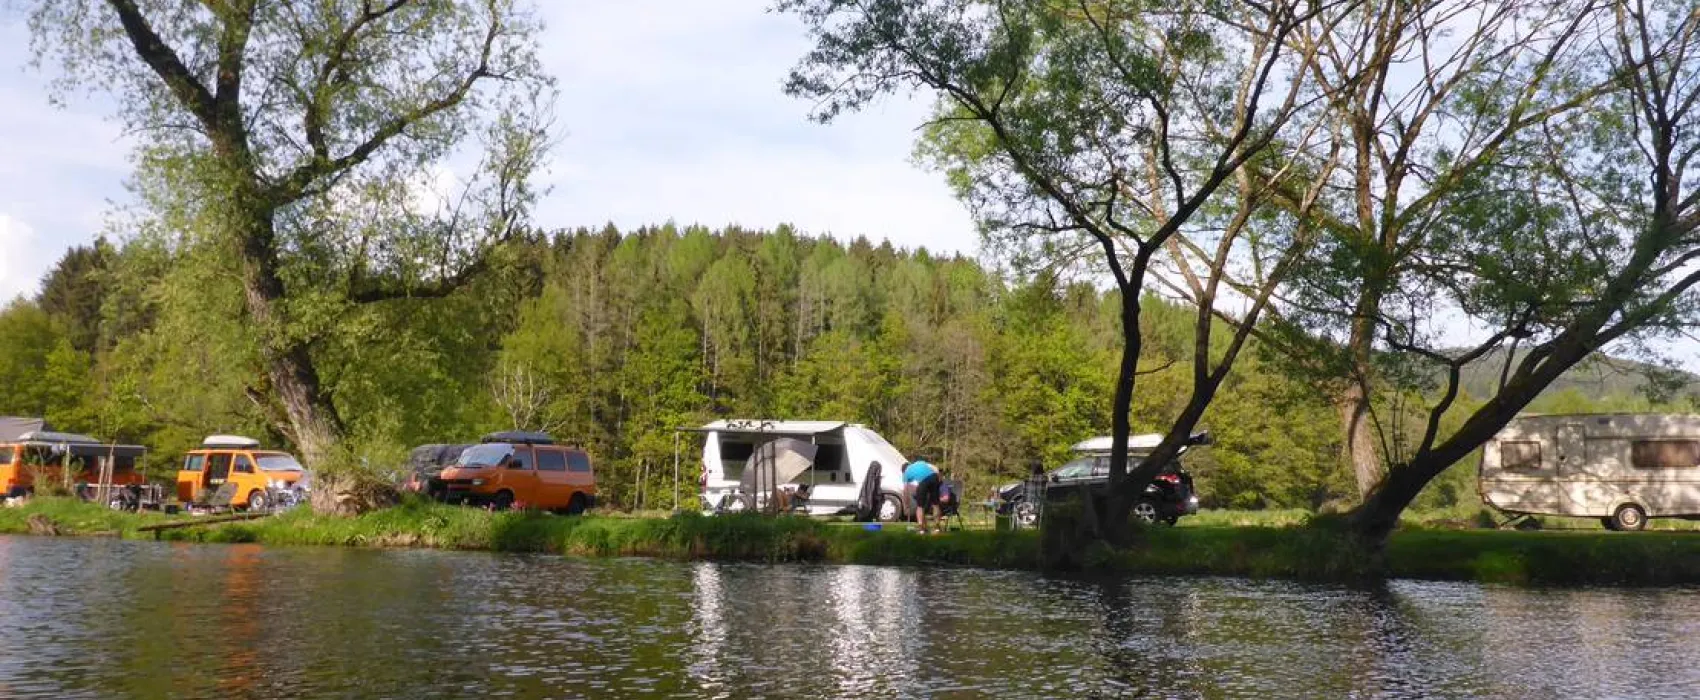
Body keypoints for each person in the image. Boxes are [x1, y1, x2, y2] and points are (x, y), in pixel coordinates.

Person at [903, 456, 942, 535]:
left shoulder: (906, 473)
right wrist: (939, 480)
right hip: (934, 477)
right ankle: (937, 528)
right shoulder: (922, 463)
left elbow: (905, 491)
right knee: (935, 504)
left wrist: (906, 505)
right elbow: (935, 469)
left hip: (923, 481)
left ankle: (921, 529)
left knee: (920, 506)